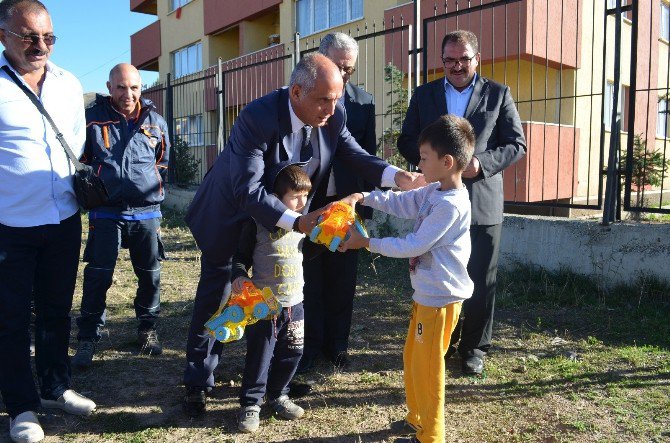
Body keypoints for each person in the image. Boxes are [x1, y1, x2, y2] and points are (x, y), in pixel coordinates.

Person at [182, 52, 425, 417]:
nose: (332, 107)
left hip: (281, 228)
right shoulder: (256, 117)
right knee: (220, 297)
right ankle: (198, 382)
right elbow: (248, 191)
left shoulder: (334, 114)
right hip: (232, 220)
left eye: (337, 97)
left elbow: (354, 155)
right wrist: (297, 222)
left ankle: (273, 381)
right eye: (323, 99)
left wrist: (397, 177)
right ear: (296, 92)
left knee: (280, 298)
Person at [340, 114, 476, 443]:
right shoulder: (433, 190)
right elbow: (402, 202)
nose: (418, 162)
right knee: (413, 360)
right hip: (426, 295)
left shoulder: (451, 206)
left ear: (447, 162)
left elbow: (414, 244)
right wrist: (364, 196)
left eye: (424, 157)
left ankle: (430, 436)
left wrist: (367, 242)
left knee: (428, 370)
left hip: (440, 301)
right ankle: (417, 419)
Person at [397, 30, 526, 376]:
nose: (457, 66)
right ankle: (443, 342)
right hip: (436, 201)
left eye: (464, 59)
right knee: (440, 275)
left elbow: (516, 144)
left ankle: (474, 348)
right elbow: (406, 139)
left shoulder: (498, 94)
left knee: (481, 278)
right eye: (450, 60)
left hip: (482, 202)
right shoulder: (424, 95)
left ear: (476, 59)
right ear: (442, 61)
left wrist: (480, 164)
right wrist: (433, 163)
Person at [0, 1, 96, 441]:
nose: (41, 46)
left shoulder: (68, 83)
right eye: (29, 37)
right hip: (10, 224)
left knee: (57, 309)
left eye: (49, 37)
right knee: (11, 317)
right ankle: (21, 406)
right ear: (4, 36)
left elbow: (75, 142)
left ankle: (57, 386)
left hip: (63, 219)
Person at [71, 63, 170, 369]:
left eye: (134, 87)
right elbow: (80, 158)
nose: (128, 94)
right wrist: (94, 189)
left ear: (142, 88)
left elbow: (164, 160)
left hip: (146, 212)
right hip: (106, 212)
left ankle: (147, 328)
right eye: (121, 87)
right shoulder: (92, 118)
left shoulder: (155, 120)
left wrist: (151, 187)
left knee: (150, 275)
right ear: (110, 87)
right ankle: (88, 337)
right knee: (98, 275)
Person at [299, 32, 377, 373]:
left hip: (347, 204)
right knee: (309, 279)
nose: (344, 75)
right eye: (338, 66)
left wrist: (367, 207)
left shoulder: (364, 103)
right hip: (310, 204)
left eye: (350, 69)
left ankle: (337, 347)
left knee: (343, 280)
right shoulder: (301, 96)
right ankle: (309, 347)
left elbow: (368, 157)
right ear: (320, 59)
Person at [232, 162, 311, 433]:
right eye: (295, 196)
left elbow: (312, 253)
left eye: (305, 196)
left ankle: (278, 395)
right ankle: (251, 404)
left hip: (295, 303)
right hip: (264, 303)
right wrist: (239, 277)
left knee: (293, 351)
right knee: (260, 354)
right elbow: (240, 258)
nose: (301, 202)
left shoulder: (305, 224)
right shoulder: (257, 223)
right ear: (277, 199)